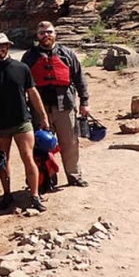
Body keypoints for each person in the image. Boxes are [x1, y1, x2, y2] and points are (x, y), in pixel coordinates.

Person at [0, 33, 51, 213]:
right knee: (3, 162)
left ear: (8, 46)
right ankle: (7, 195)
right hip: (0, 124)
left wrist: (43, 117)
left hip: (22, 121)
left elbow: (33, 93)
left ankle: (34, 196)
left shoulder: (22, 68)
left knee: (28, 157)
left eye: (2, 46)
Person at [21, 21, 90, 188]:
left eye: (49, 32)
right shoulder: (29, 57)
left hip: (64, 105)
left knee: (70, 143)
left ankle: (74, 175)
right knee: (43, 144)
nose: (46, 35)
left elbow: (79, 78)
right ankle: (47, 178)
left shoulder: (67, 54)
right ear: (37, 36)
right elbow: (22, 84)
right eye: (42, 33)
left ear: (55, 34)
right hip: (39, 108)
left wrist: (84, 101)